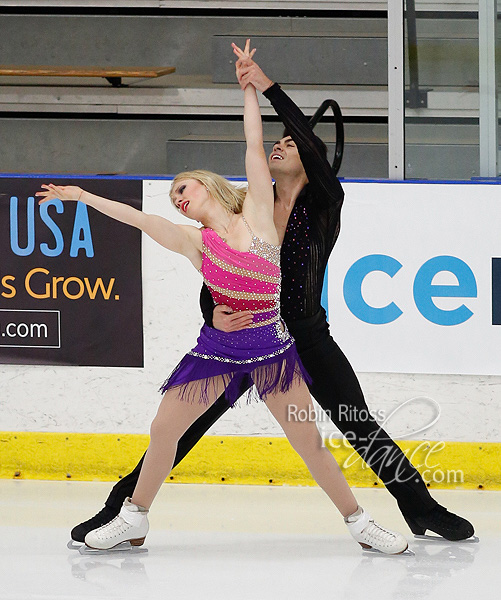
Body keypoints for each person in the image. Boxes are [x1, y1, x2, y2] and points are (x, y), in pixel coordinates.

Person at [70, 43, 474, 544]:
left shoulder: (324, 202)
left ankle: (420, 506)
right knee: (181, 429)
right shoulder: (246, 204)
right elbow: (216, 270)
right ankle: (120, 510)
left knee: (355, 419)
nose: (280, 146)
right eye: (276, 142)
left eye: (290, 143)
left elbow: (302, 134)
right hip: (243, 337)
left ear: (310, 160)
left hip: (302, 336)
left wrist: (266, 87)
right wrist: (213, 317)